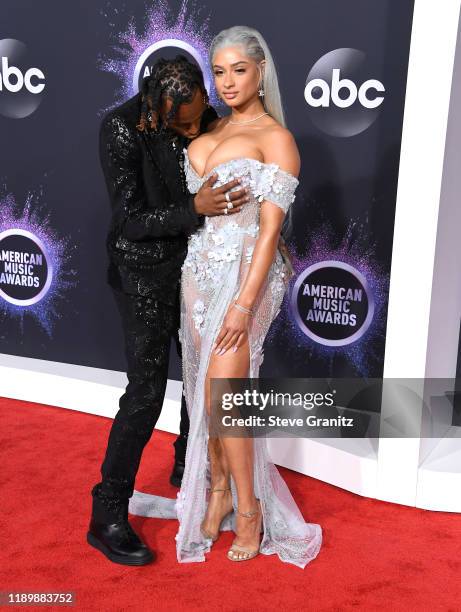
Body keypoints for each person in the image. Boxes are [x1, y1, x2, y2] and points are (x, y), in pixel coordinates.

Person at [129, 26, 322, 569]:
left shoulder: (276, 138)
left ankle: (252, 509)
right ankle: (216, 493)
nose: (229, 80)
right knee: (202, 392)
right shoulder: (208, 130)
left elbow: (268, 231)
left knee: (226, 395)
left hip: (246, 279)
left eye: (240, 69)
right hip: (199, 273)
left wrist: (244, 302)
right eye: (219, 71)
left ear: (262, 71)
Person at [87, 55, 249, 566]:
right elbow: (129, 222)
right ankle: (107, 512)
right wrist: (192, 211)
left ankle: (188, 467)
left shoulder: (203, 112)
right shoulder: (120, 128)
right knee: (146, 392)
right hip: (143, 275)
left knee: (201, 376)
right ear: (158, 109)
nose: (197, 125)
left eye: (202, 112)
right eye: (185, 121)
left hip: (199, 269)